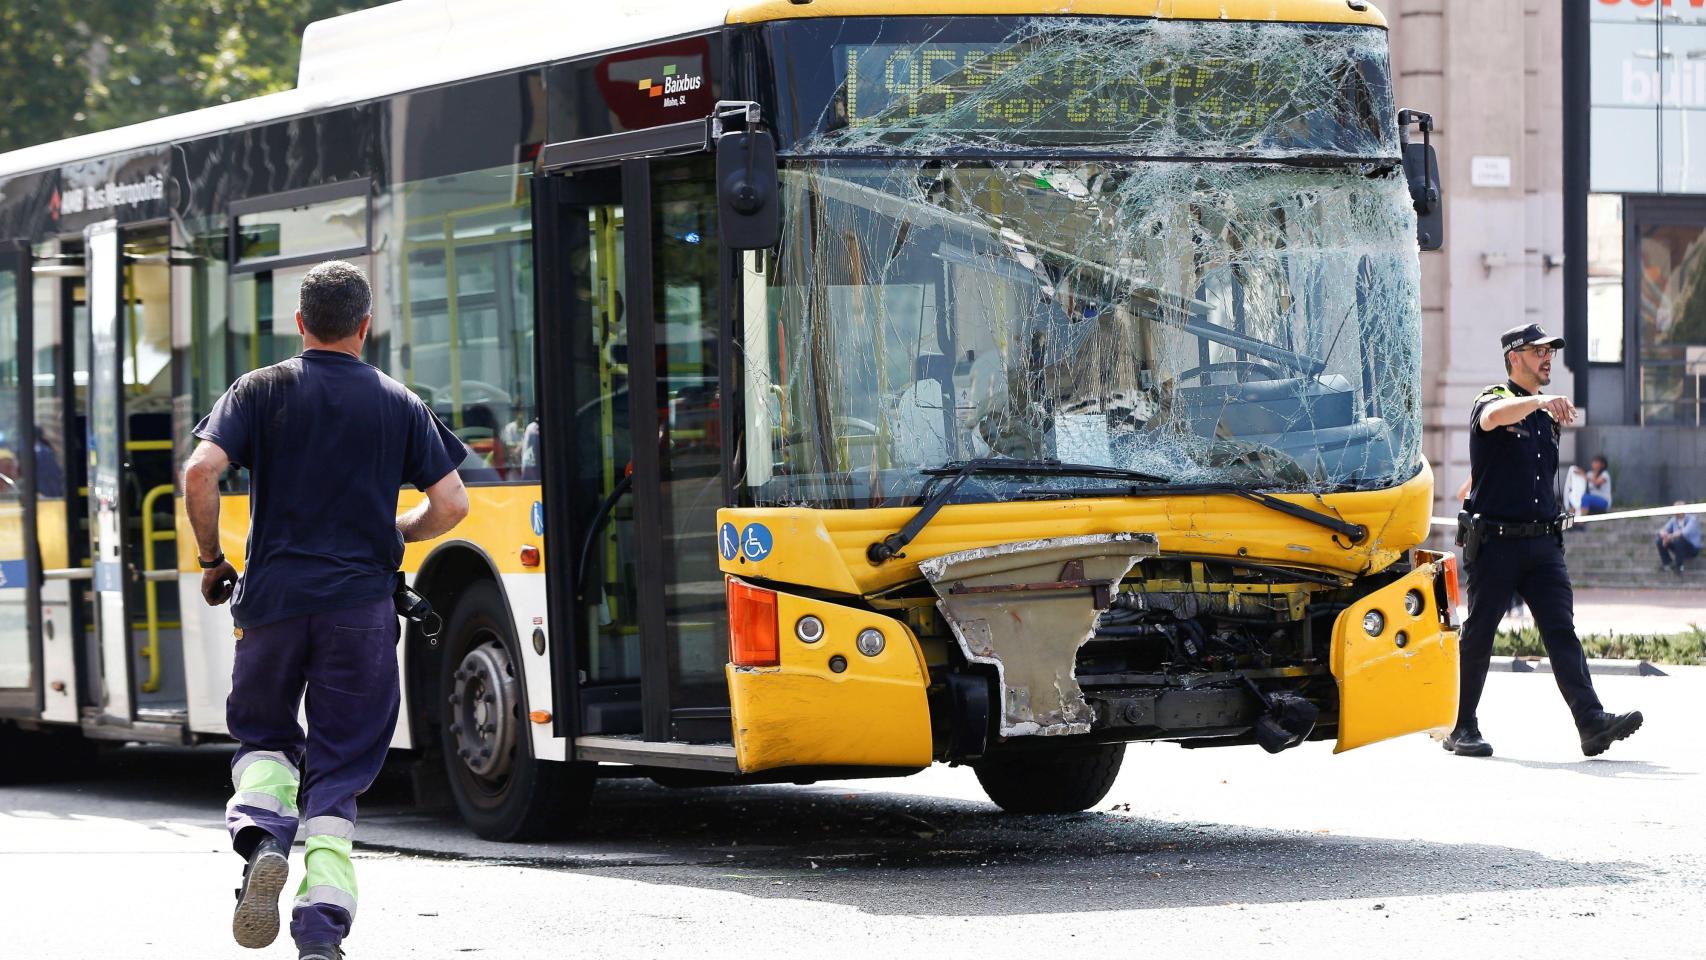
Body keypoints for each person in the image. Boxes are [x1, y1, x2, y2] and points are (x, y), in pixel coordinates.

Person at [183, 261, 469, 960]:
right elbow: (454, 504)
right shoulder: (398, 402)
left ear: (300, 323)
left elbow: (199, 472)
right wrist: (397, 530)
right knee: (339, 771)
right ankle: (320, 930)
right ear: (365, 327)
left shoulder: (259, 389)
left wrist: (214, 560)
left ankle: (261, 844)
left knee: (263, 739)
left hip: (274, 603)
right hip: (360, 612)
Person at [1448, 323, 1642, 759]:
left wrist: (1478, 482)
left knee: (1561, 633)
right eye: (1538, 351)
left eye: (1550, 350)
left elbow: (1489, 472)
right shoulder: (1494, 399)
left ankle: (1591, 723)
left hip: (1543, 547)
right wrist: (1538, 401)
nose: (1547, 357)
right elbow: (1491, 420)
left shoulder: (1544, 418)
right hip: (1497, 545)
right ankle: (1461, 727)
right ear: (1514, 357)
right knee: (1479, 636)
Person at [1656, 503, 1701, 574]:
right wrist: (1663, 534)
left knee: (1679, 539)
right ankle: (1668, 563)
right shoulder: (1673, 520)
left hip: (1692, 549)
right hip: (1679, 546)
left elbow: (1684, 532)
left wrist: (1669, 536)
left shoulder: (1692, 520)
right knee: (1659, 540)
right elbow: (1664, 529)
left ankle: (1679, 566)